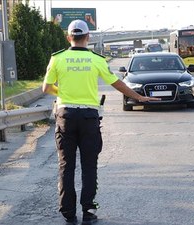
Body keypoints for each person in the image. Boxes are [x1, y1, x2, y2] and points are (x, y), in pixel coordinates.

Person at [42, 19, 160, 225]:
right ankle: (88, 209)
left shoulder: (57, 58)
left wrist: (64, 94)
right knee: (89, 165)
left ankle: (68, 212)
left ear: (69, 37)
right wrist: (139, 98)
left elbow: (46, 88)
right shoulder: (96, 60)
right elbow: (117, 84)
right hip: (89, 118)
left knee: (66, 165)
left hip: (65, 117)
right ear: (88, 37)